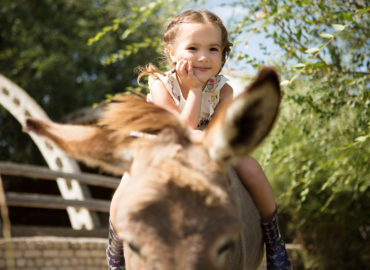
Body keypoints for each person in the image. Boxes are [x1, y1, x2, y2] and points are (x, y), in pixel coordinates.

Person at [107, 9, 291, 270]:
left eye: (213, 49)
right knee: (127, 184)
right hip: (163, 148)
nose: (204, 57)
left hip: (208, 149)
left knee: (251, 168)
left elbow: (219, 132)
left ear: (223, 53)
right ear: (172, 52)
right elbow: (179, 133)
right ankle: (116, 249)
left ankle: (274, 241)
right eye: (193, 48)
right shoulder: (160, 85)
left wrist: (207, 136)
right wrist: (194, 90)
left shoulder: (223, 89)